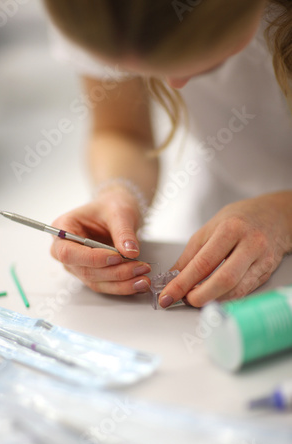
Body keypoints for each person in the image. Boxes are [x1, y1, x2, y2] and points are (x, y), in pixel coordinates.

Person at [44, 0, 292, 308]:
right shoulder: (93, 11)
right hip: (228, 225)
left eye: (209, 64)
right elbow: (122, 131)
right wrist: (119, 192)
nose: (175, 83)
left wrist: (283, 215)